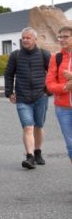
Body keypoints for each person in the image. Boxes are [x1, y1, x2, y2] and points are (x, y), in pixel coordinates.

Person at [4, 27, 51, 169]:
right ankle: (29, 157)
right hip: (22, 97)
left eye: (28, 38)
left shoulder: (44, 54)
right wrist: (9, 92)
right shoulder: (15, 55)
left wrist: (48, 91)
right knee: (28, 127)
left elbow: (52, 73)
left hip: (40, 96)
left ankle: (37, 152)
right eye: (23, 37)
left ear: (35, 39)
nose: (24, 40)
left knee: (38, 126)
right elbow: (9, 74)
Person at [45, 25, 72, 164]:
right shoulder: (56, 58)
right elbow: (49, 84)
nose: (62, 39)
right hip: (63, 109)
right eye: (60, 37)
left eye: (65, 36)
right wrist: (65, 87)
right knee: (70, 145)